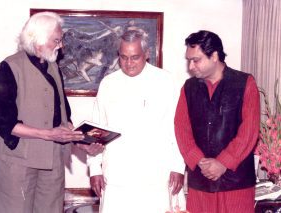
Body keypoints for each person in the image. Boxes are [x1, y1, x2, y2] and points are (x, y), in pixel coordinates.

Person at [0, 12, 103, 213]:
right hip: (17, 161)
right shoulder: (10, 66)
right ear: (38, 40)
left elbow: (63, 116)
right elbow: (4, 122)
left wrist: (79, 140)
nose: (61, 46)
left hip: (53, 159)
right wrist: (47, 134)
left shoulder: (53, 67)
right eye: (57, 40)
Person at [87, 29, 186, 213]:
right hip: (117, 176)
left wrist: (178, 166)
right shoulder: (108, 84)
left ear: (147, 54)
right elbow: (96, 129)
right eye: (124, 57)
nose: (129, 63)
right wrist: (95, 169)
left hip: (157, 175)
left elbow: (178, 128)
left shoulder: (166, 81)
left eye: (135, 57)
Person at [174, 30, 260, 213]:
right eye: (189, 60)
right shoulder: (188, 88)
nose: (190, 66)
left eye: (196, 60)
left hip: (237, 183)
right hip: (201, 182)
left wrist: (223, 162)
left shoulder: (245, 83)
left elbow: (249, 130)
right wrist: (199, 161)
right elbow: (181, 129)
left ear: (214, 56)